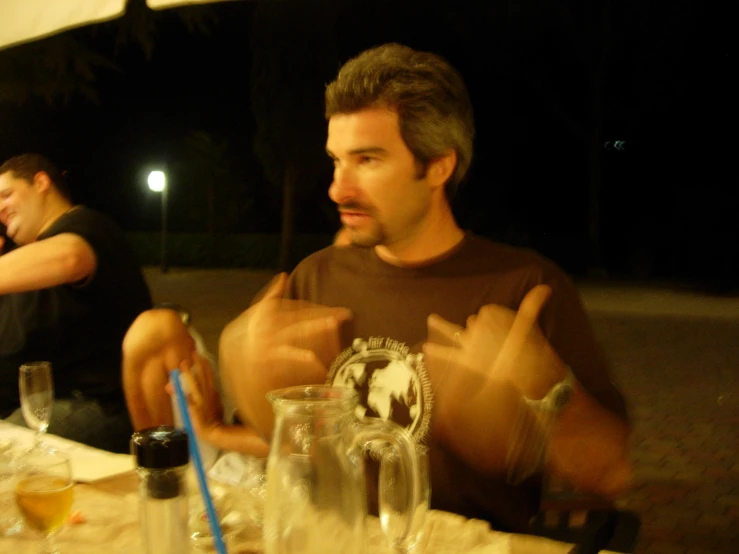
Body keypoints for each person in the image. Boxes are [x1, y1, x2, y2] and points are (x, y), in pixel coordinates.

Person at [219, 43, 631, 532]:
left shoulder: (525, 287)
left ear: (438, 166)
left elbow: (610, 475)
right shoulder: (314, 277)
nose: (337, 189)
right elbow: (291, 456)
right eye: (336, 160)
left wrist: (549, 388)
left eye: (367, 160)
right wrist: (254, 393)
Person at [0, 153, 152, 453]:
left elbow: (71, 256)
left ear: (41, 182)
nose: (0, 209)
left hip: (94, 407)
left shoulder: (85, 226)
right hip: (41, 407)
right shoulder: (31, 264)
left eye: (6, 194)